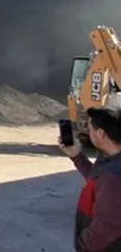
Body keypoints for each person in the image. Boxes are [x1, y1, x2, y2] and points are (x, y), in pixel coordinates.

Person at [58, 106, 121, 251]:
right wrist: (76, 155)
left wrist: (83, 245)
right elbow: (97, 179)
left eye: (90, 128)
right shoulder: (109, 160)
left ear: (100, 133)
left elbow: (107, 227)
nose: (88, 133)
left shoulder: (114, 176)